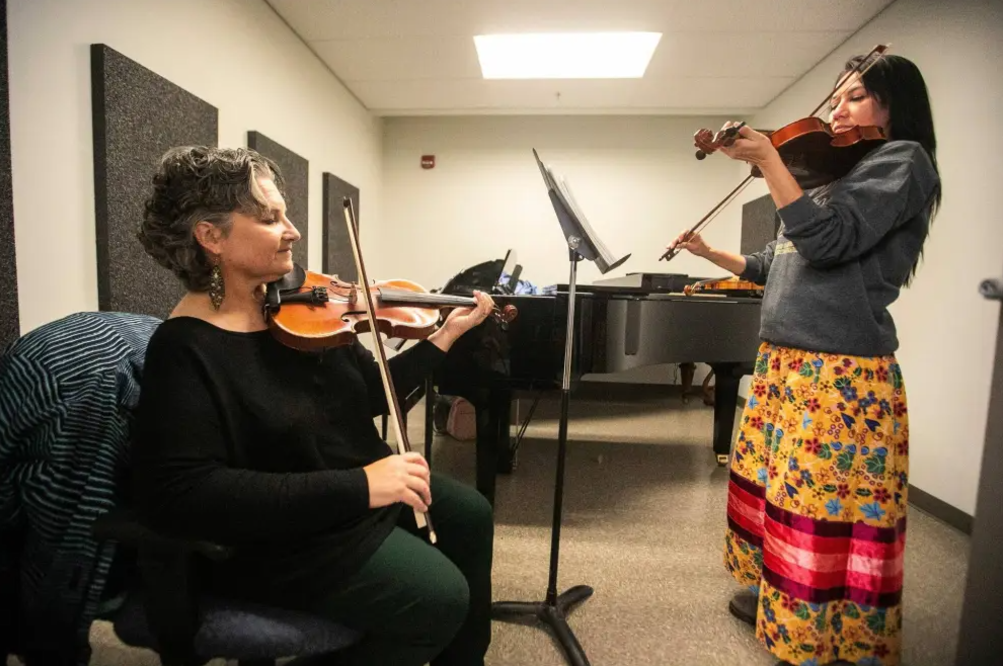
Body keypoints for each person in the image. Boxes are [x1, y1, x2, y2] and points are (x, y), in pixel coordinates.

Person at [132, 145, 497, 666]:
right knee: (438, 597)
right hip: (286, 537)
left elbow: (373, 392)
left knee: (471, 515)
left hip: (354, 489)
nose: (293, 230)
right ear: (211, 237)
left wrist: (444, 338)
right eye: (269, 217)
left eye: (286, 213)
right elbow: (183, 493)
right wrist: (363, 484)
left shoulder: (301, 309)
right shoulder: (185, 348)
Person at [667, 53, 941, 666]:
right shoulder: (834, 176)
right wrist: (712, 253)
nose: (837, 111)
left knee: (821, 504)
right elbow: (774, 262)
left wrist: (769, 160)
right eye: (836, 97)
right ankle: (783, 597)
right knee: (784, 495)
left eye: (855, 97)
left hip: (837, 373)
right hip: (788, 366)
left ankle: (823, 628)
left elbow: (829, 243)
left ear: (895, 106)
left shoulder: (904, 161)